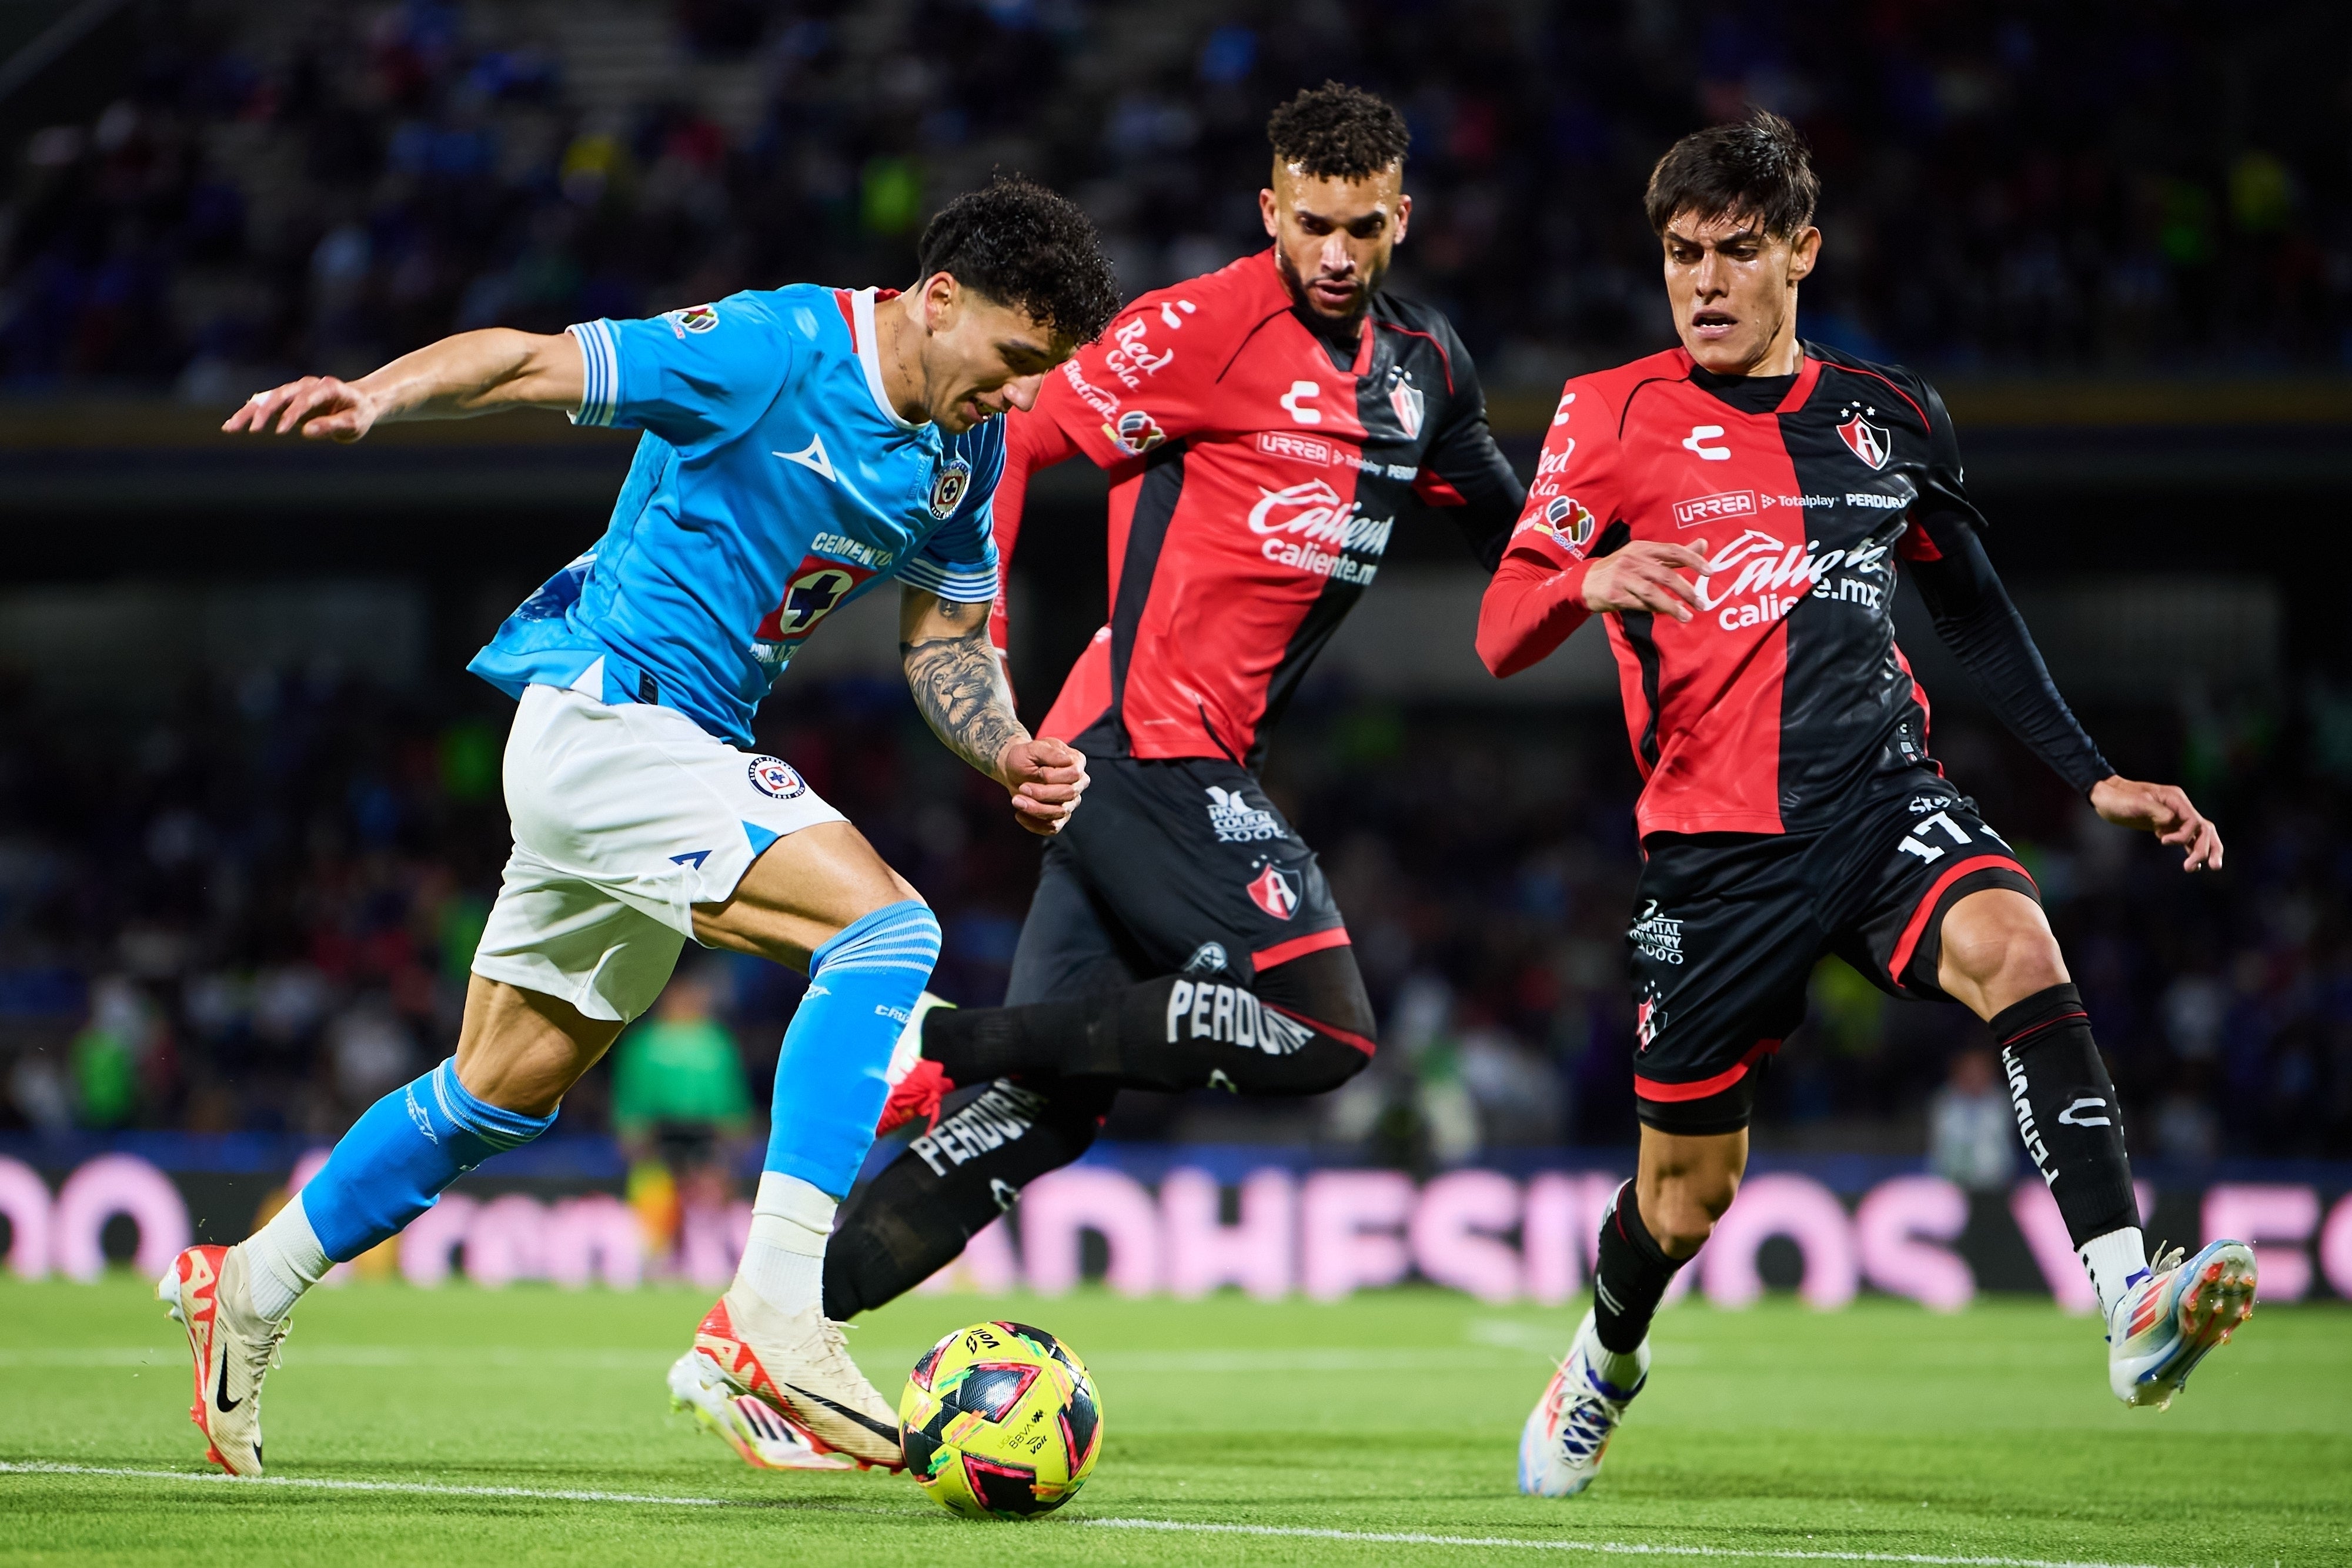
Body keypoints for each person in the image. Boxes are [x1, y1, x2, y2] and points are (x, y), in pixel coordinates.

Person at [155, 176, 1121, 1478]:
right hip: (613, 715)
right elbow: (534, 361)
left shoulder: (968, 450)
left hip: (676, 751)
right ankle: (774, 1313)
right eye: (1013, 358)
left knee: (496, 1091)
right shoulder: (774, 348)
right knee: (887, 933)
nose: (1021, 394)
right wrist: (380, 395)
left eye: (1043, 372)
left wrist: (1005, 744)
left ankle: (248, 1284)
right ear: (940, 300)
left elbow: (946, 636)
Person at [1476, 112, 2256, 1499]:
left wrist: (2090, 773)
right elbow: (1495, 628)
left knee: (2016, 942)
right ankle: (1602, 1360)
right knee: (1683, 1198)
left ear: (1801, 253)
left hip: (1881, 800)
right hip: (1713, 855)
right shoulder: (1607, 413)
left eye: (1734, 251)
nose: (1702, 281)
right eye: (1679, 255)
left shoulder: (1889, 416)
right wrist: (1582, 581)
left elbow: (1971, 606)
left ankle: (2127, 1299)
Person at [809, 82, 1526, 1330]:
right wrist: (983, 646)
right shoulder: (1199, 329)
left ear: (1401, 219)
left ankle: (777, 1327)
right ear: (1270, 210)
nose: (1337, 254)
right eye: (1312, 224)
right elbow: (1017, 441)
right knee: (1325, 1028)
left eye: (1361, 228)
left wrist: (1614, 579)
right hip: (1139, 743)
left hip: (1180, 754)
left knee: (1044, 1109)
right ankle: (943, 1039)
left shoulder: (1426, 369)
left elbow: (1519, 547)